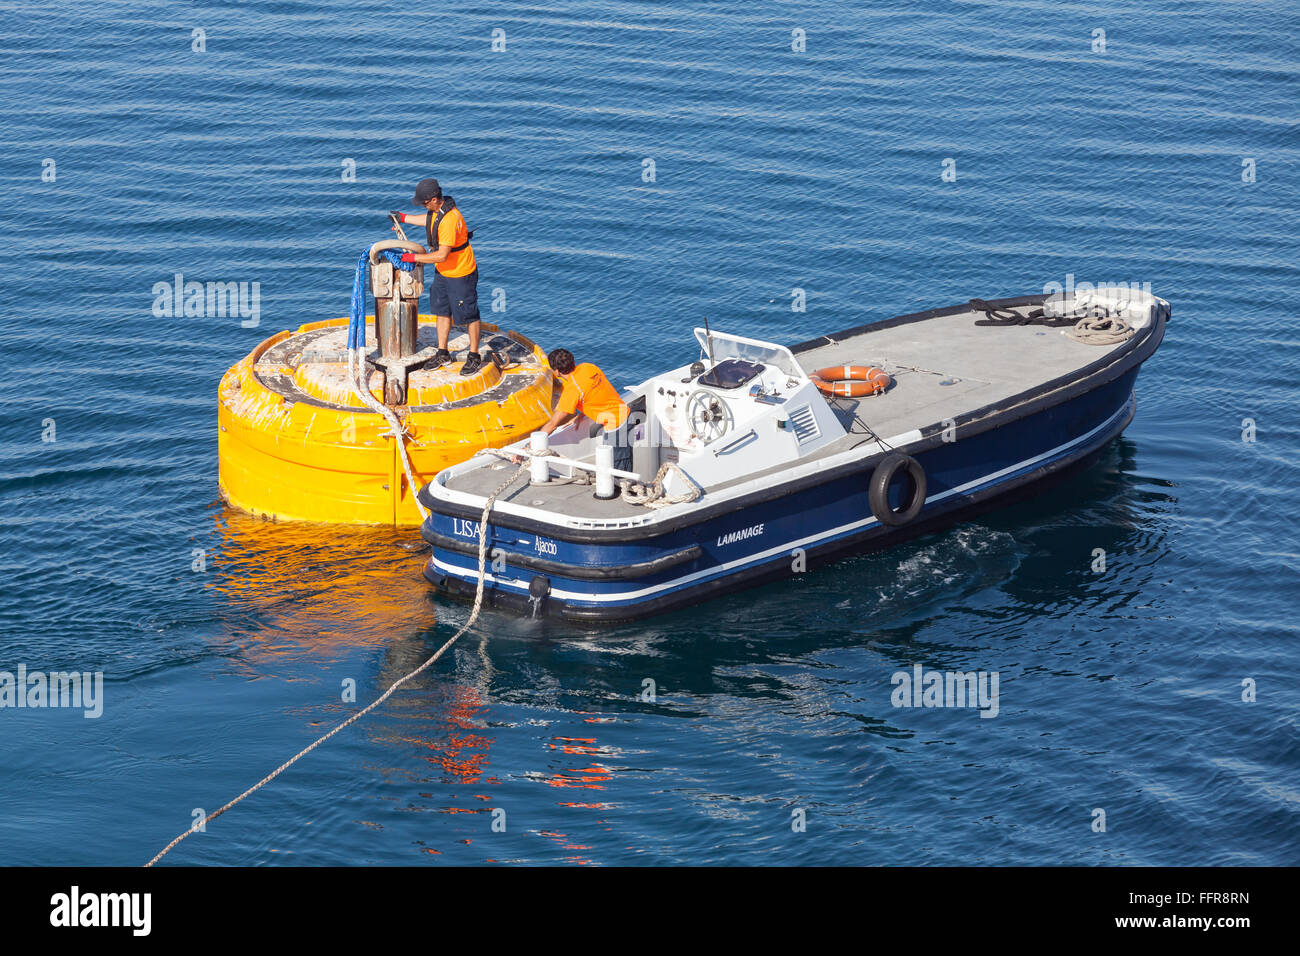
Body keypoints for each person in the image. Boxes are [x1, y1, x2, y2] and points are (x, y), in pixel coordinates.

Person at [389, 178, 482, 375]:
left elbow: (442, 254)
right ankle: (443, 352)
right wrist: (404, 218)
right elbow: (429, 219)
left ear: (433, 200)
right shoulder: (437, 211)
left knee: (469, 315)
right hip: (443, 272)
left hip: (460, 273)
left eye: (423, 202)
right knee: (442, 311)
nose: (423, 206)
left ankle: (474, 355)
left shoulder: (449, 220)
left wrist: (413, 257)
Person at [542, 349, 632, 472]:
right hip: (624, 413)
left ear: (557, 371)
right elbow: (594, 394)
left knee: (618, 466)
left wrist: (530, 445)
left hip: (615, 426)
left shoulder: (572, 389)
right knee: (623, 459)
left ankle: (621, 490)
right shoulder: (588, 367)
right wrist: (581, 415)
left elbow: (552, 424)